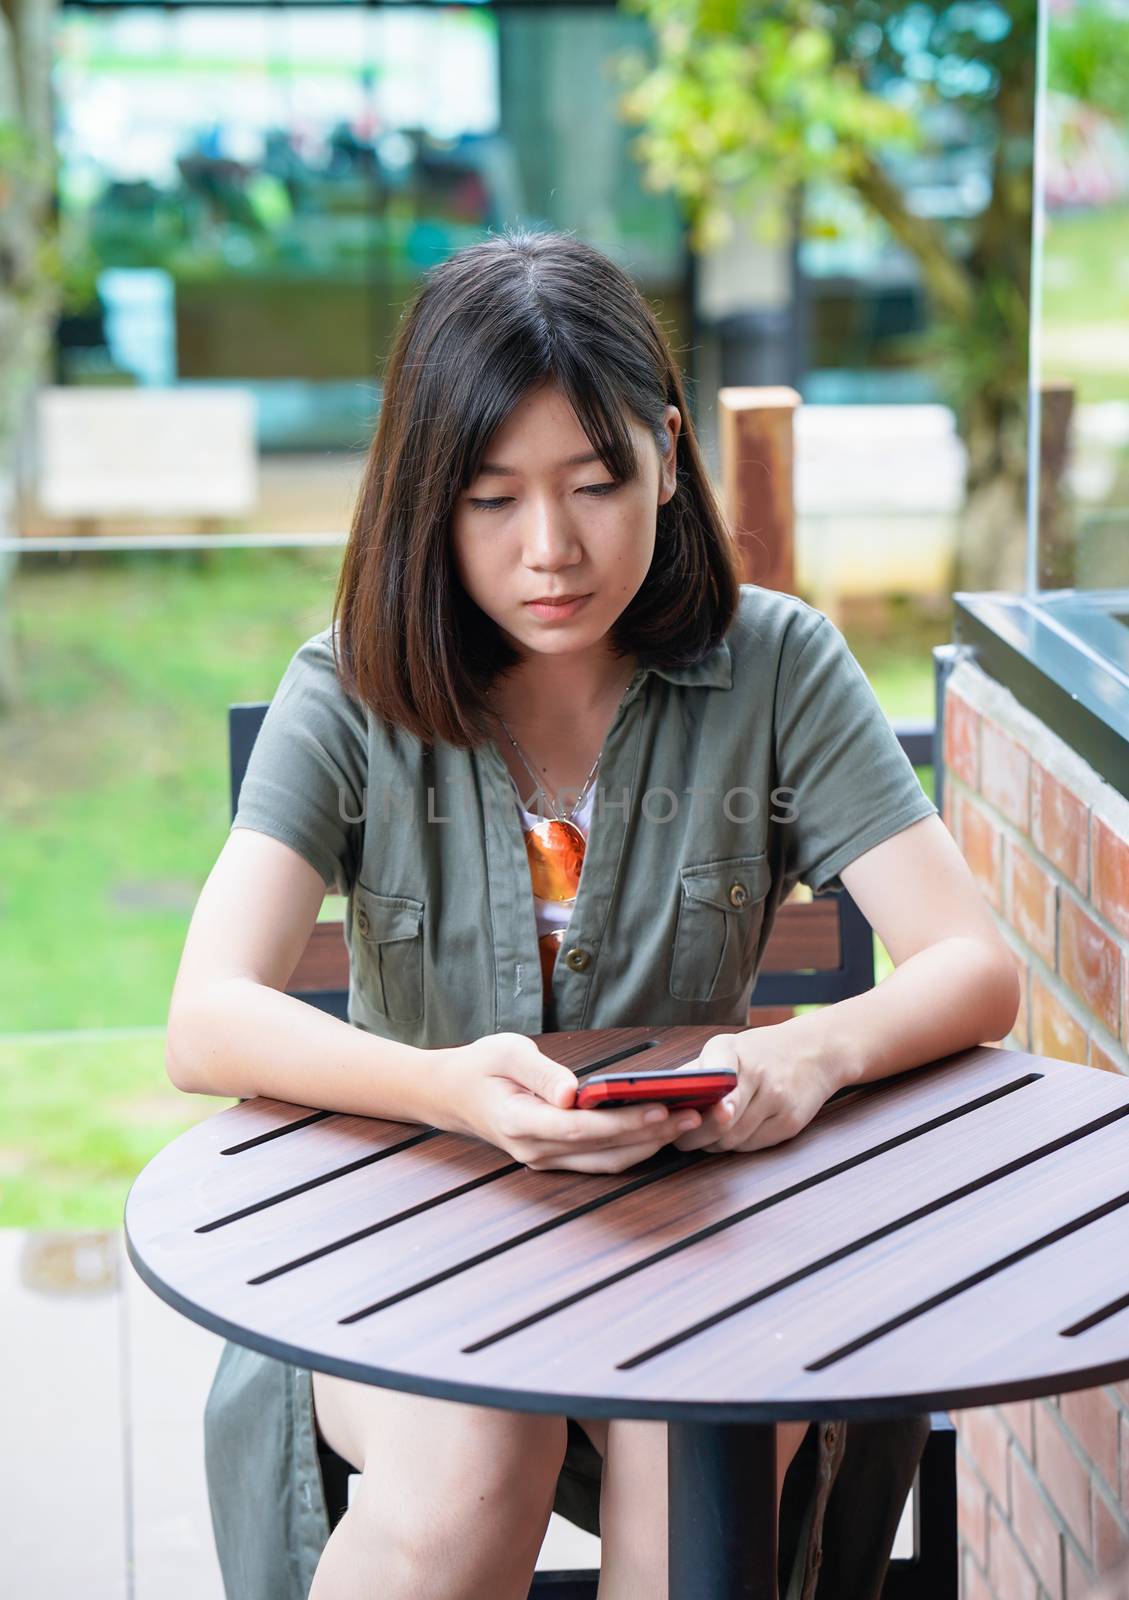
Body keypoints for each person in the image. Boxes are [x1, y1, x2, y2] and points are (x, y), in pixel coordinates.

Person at [166, 226, 1020, 1600]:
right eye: (490, 498)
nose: (549, 548)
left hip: (695, 1236)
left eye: (594, 482)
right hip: (414, 1230)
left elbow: (973, 967)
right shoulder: (347, 692)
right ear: (423, 500)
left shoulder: (776, 667)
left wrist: (800, 1057)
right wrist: (449, 1090)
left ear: (667, 457)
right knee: (464, 1476)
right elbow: (205, 1020)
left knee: (703, 1467)